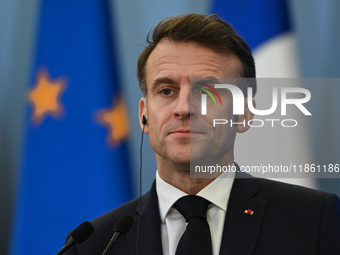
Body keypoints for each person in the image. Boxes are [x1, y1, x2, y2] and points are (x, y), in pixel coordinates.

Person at [64, 14, 340, 255]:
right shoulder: (94, 244)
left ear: (245, 114)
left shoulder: (314, 221)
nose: (183, 108)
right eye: (166, 91)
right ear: (144, 115)